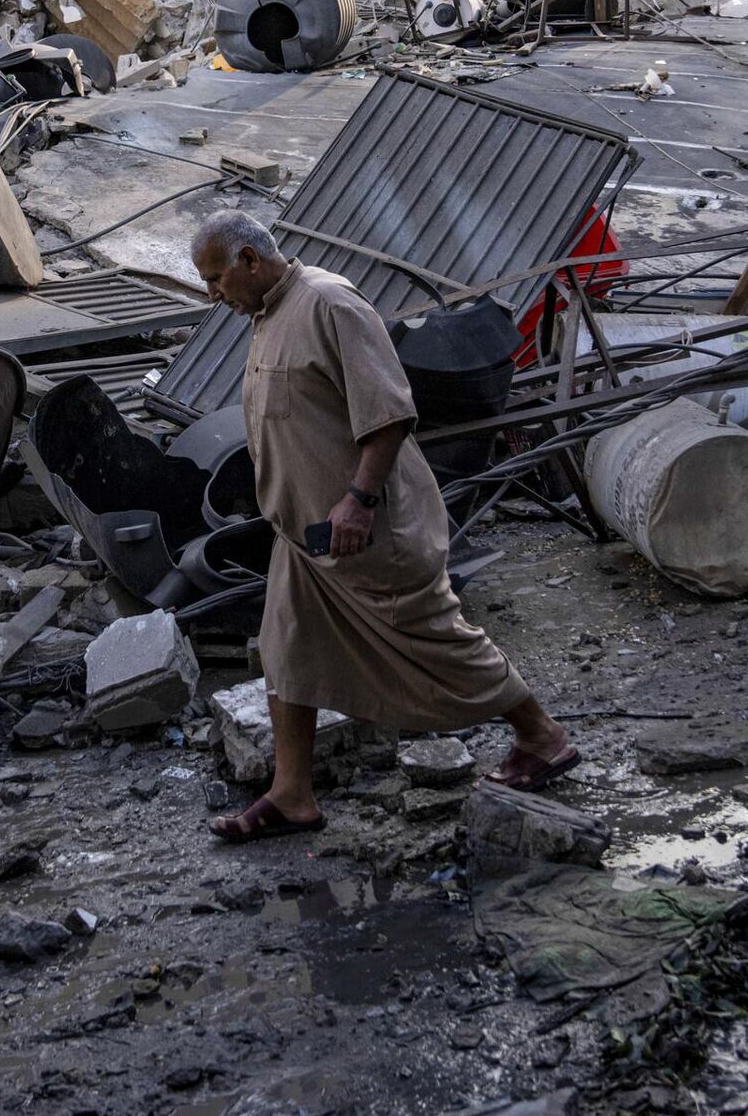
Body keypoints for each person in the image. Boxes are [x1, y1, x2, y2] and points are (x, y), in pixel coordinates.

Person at [190, 210, 576, 842]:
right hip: (303, 537)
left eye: (214, 278)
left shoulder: (329, 304)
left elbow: (390, 412)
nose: (212, 293)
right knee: (287, 652)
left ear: (250, 262)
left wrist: (358, 501)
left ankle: (543, 735)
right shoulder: (266, 316)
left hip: (364, 528)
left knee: (433, 637)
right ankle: (291, 795)